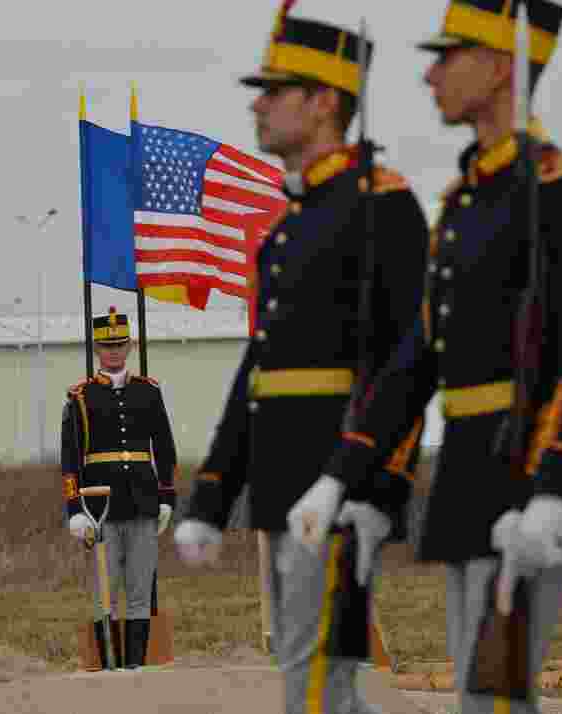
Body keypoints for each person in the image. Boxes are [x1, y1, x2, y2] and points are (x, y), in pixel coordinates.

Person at [290, 1, 562, 712]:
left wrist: (555, 483)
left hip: (526, 475)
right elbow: (419, 358)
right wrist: (345, 474)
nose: (431, 72)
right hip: (469, 474)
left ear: (502, 68)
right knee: (482, 699)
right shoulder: (465, 202)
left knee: (497, 698)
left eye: (449, 55)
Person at [173, 2, 431, 712]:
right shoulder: (292, 225)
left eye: (275, 90)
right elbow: (261, 373)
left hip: (337, 489)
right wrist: (213, 493)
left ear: (324, 102)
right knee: (312, 682)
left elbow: (408, 360)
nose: (257, 105)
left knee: (319, 684)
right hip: (286, 486)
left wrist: (373, 487)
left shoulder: (382, 206)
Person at [61, 307, 177, 670]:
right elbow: (70, 458)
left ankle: (137, 666)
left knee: (141, 587)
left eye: (120, 345)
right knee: (105, 590)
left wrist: (167, 499)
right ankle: (107, 667)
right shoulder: (81, 396)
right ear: (97, 349)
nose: (113, 352)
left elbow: (166, 448)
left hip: (142, 500)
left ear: (130, 347)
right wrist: (74, 510)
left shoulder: (149, 392)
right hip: (99, 506)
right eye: (106, 346)